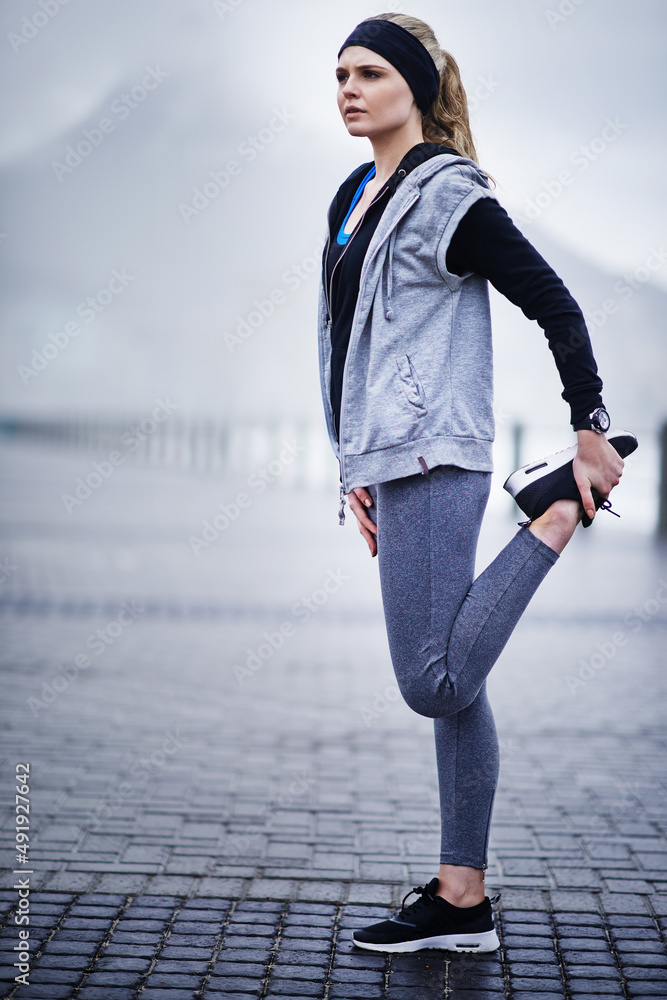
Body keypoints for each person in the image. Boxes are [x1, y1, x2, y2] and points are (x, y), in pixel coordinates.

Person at [316, 12, 636, 954]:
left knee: (430, 681)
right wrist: (352, 463)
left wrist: (586, 427)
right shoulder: (351, 195)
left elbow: (553, 300)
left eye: (370, 72)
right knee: (459, 689)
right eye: (339, 73)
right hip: (389, 457)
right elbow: (342, 341)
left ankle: (552, 515)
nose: (348, 88)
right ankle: (462, 901)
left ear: (414, 86)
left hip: (436, 452)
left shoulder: (448, 197)